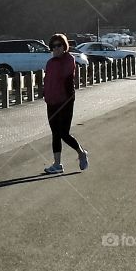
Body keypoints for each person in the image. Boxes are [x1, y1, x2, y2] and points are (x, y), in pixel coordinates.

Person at [42, 33, 88, 175]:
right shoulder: (50, 63)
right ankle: (57, 164)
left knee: (63, 133)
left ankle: (81, 153)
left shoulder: (69, 60)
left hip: (65, 101)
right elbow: (47, 81)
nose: (56, 48)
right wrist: (45, 94)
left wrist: (69, 98)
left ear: (64, 46)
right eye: (53, 46)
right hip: (51, 101)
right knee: (55, 133)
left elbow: (67, 78)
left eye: (59, 45)